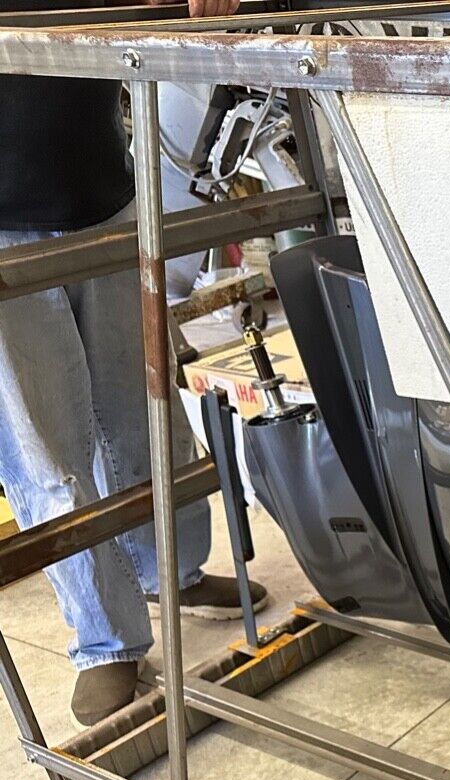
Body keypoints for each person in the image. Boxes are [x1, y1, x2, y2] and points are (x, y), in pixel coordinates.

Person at [0, 0, 263, 727]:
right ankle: (105, 642)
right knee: (47, 451)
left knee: (142, 409)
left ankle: (170, 571)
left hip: (104, 193)